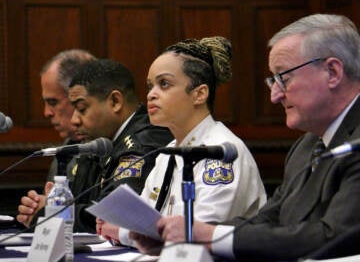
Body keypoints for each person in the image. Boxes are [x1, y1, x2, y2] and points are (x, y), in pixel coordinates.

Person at [130, 14, 360, 261]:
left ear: (333, 72)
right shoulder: (306, 146)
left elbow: (336, 237)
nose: (275, 95)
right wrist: (186, 236)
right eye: (273, 80)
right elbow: (271, 216)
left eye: (284, 77)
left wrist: (207, 235)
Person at [96, 36, 267, 247]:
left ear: (199, 94)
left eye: (164, 84)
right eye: (150, 86)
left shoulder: (222, 152)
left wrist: (122, 232)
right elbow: (145, 224)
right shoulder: (167, 152)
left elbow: (193, 234)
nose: (151, 95)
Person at [17, 58, 173, 233]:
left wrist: (54, 212)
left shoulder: (144, 142)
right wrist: (50, 203)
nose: (74, 120)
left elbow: (112, 216)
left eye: (82, 108)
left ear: (115, 101)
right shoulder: (99, 142)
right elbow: (85, 203)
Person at [16, 49, 96, 227]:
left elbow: (103, 219)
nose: (46, 112)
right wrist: (35, 209)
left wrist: (51, 212)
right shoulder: (65, 151)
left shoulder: (107, 146)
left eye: (53, 102)